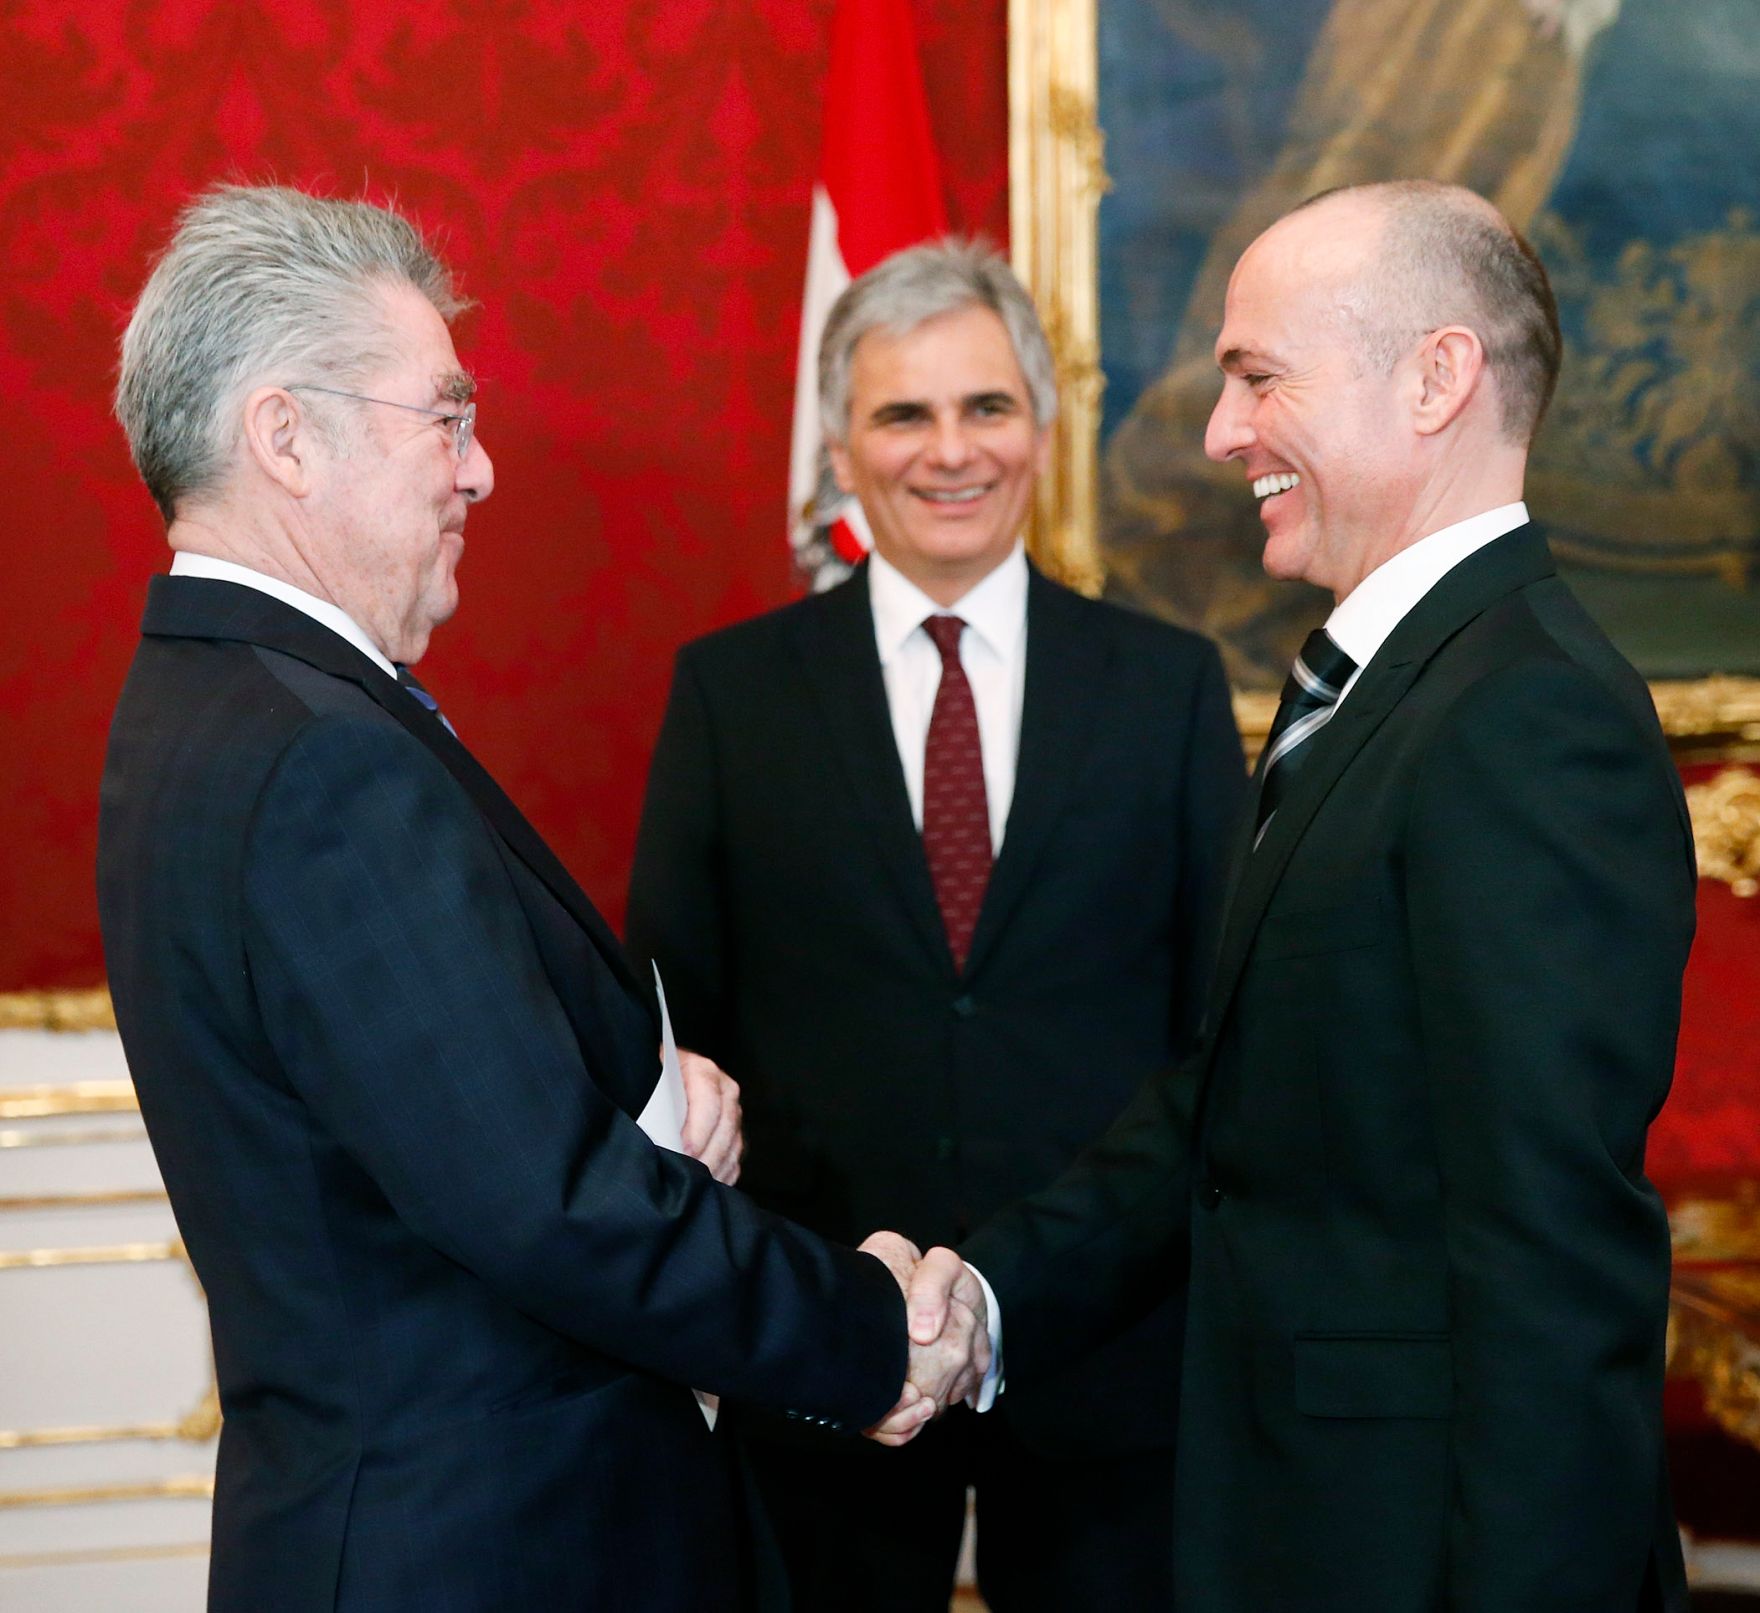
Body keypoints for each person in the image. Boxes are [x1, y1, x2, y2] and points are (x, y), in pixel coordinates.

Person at [96, 183, 984, 1613]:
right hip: (484, 1554)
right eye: (443, 416)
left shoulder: (210, 700)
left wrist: (630, 1108)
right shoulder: (322, 755)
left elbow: (408, 1133)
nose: (480, 468)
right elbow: (547, 1209)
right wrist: (876, 1331)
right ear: (285, 436)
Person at [901, 181, 1697, 1611]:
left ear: (1437, 377)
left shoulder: (1527, 718)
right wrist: (985, 1295)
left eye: (1258, 376)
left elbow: (1551, 1266)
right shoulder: (1401, 686)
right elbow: (1235, 1106)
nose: (1218, 434)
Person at [626, 240, 1245, 1612]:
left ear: (1041, 423)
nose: (949, 450)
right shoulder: (731, 696)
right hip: (823, 1362)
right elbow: (682, 1032)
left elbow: (1221, 1033)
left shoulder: (1169, 687)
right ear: (841, 447)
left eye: (986, 406)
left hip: (1110, 1364)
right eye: (904, 413)